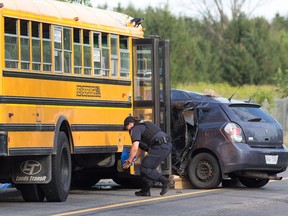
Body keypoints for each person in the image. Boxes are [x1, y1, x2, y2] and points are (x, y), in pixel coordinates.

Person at [122, 116, 173, 196]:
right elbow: (140, 148)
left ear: (131, 124)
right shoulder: (143, 124)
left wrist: (129, 160)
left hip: (160, 146)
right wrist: (133, 159)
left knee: (144, 168)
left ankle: (165, 181)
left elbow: (135, 147)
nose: (127, 129)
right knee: (147, 166)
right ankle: (146, 190)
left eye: (127, 127)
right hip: (166, 145)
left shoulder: (135, 129)